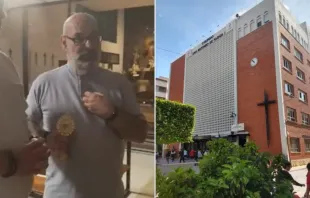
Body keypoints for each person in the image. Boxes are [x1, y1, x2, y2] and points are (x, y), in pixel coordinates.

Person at [26, 13, 148, 198]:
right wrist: (45, 136)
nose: (89, 46)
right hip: (58, 193)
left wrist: (112, 114)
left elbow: (140, 134)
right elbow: (27, 120)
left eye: (94, 38)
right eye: (79, 39)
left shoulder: (119, 83)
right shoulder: (43, 83)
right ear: (63, 43)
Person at [0, 1, 49, 197]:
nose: (3, 16)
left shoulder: (5, 63)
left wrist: (33, 147)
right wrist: (14, 163)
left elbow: (15, 121)